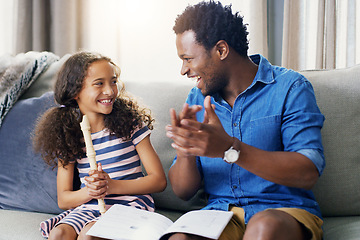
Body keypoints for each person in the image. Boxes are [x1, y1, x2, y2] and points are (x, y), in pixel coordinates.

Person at [165, 1, 325, 240]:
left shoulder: (290, 87)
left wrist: (230, 148)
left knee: (263, 228)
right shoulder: (197, 98)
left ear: (221, 50)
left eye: (188, 59)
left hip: (283, 213)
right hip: (219, 216)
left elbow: (308, 172)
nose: (183, 70)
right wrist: (186, 149)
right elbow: (183, 191)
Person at [33, 51, 167, 240]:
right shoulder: (68, 135)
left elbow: (159, 181)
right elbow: (64, 199)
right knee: (59, 234)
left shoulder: (130, 123)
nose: (110, 91)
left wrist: (111, 186)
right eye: (99, 83)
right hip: (89, 206)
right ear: (75, 91)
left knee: (89, 234)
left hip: (130, 203)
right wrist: (91, 191)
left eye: (113, 81)